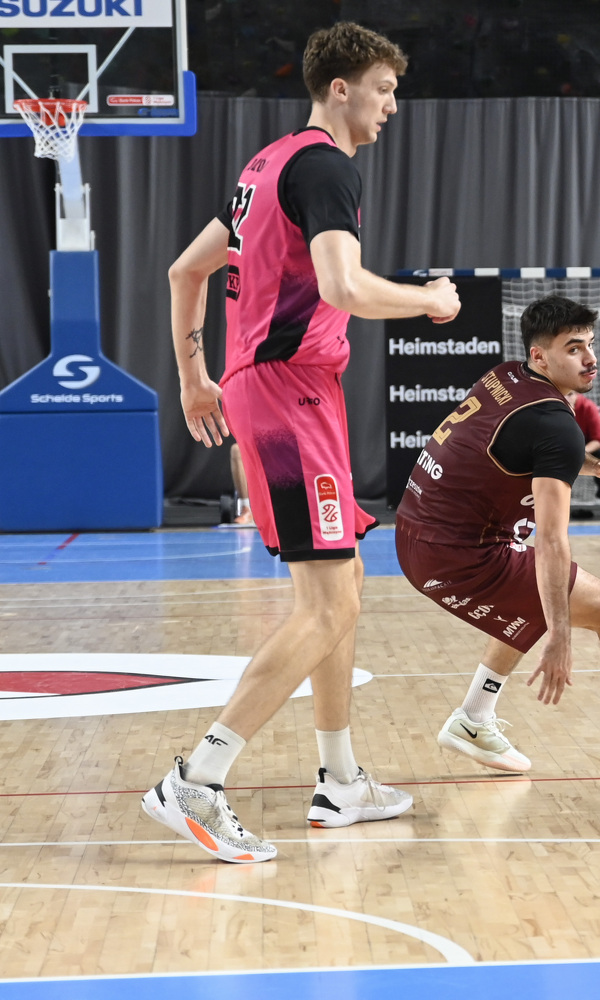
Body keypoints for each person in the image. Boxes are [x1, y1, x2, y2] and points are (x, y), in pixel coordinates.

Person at [143, 23, 462, 863]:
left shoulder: (265, 166)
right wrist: (429, 301)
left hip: (279, 390)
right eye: (384, 89)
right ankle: (196, 780)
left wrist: (195, 377)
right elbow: (342, 286)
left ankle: (341, 779)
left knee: (343, 585)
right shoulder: (325, 167)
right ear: (341, 88)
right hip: (288, 394)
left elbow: (185, 271)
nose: (392, 105)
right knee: (327, 605)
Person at [396, 295, 600, 790]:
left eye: (590, 345)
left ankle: (474, 717)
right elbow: (552, 540)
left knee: (535, 590)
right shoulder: (556, 425)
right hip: (460, 555)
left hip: (415, 534)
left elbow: (524, 449)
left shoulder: (504, 376)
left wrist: (594, 467)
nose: (590, 358)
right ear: (540, 356)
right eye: (574, 348)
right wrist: (559, 634)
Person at [564, 388, 600, 516]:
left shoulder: (589, 407)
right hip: (563, 446)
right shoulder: (553, 408)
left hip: (588, 446)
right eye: (563, 395)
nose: (567, 398)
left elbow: (599, 440)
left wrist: (580, 452)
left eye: (570, 394)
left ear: (577, 394)